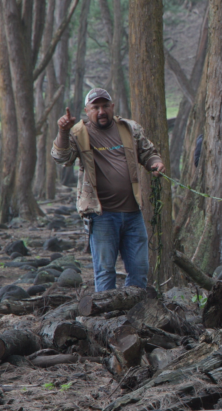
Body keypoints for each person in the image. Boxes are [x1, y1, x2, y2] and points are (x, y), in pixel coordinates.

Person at [51, 88, 166, 292]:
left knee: (140, 269)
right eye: (95, 107)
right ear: (87, 110)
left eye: (105, 106)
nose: (101, 111)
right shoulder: (78, 133)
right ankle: (105, 319)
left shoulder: (129, 128)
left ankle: (135, 312)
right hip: (101, 215)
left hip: (133, 213)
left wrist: (155, 164)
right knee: (105, 271)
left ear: (112, 107)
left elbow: (148, 153)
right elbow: (62, 158)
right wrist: (63, 131)